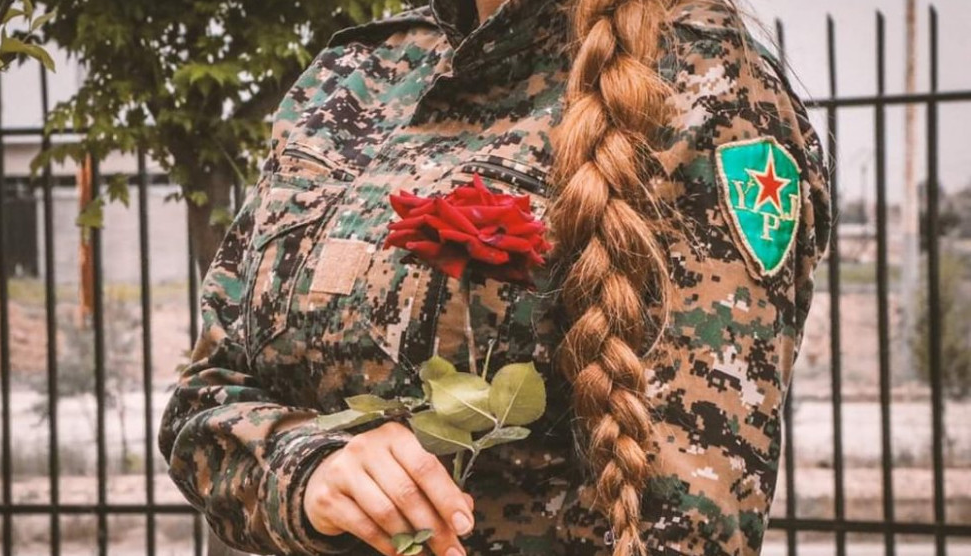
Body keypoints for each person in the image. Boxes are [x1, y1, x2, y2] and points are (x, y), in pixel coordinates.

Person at [158, 0, 831, 555]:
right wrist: (307, 471)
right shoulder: (354, 74)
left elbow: (687, 522)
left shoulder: (704, 90)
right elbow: (205, 400)